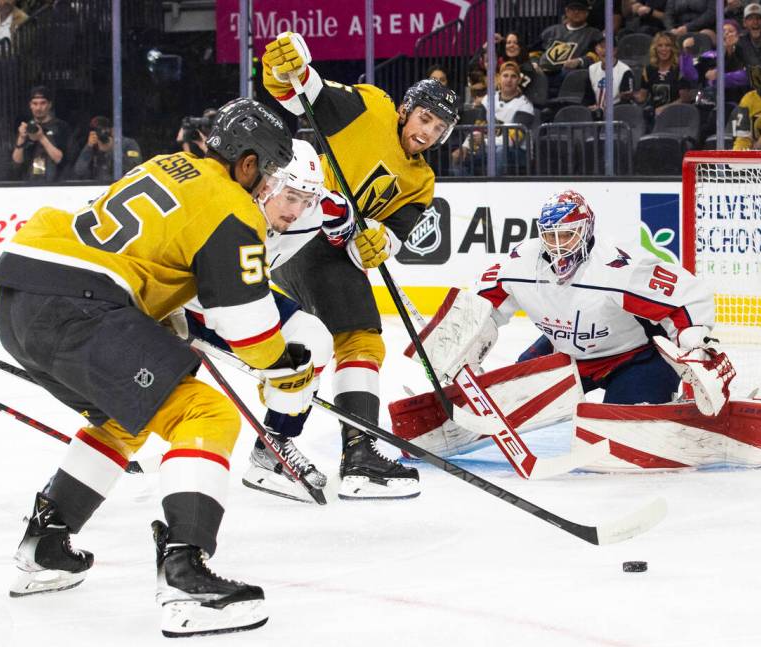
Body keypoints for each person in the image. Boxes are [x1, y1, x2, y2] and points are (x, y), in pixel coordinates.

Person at [0, 98, 309, 637]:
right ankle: (186, 574)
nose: (272, 188)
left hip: (21, 296)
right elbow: (249, 329)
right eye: (271, 172)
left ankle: (46, 544)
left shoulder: (167, 165)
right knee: (205, 413)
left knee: (124, 415)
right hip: (79, 305)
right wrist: (284, 366)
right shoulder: (232, 206)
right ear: (248, 164)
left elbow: (145, 258)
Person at [261, 31, 460, 499]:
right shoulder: (369, 108)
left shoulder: (422, 180)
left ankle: (277, 445)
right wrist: (280, 68)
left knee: (318, 346)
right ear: (405, 110)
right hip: (306, 233)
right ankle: (358, 455)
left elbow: (391, 236)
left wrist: (377, 243)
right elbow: (301, 92)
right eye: (424, 118)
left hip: (329, 249)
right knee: (360, 338)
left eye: (439, 129)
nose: (427, 132)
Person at [183, 138, 355, 502]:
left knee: (315, 341)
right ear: (267, 184)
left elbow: (340, 211)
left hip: (246, 295)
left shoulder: (315, 207)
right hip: (189, 302)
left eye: (305, 200)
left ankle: (272, 447)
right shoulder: (227, 206)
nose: (297, 210)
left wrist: (351, 230)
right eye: (290, 196)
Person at [481, 190, 724, 407]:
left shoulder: (618, 267)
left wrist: (695, 347)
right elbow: (481, 307)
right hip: (566, 354)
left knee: (626, 427)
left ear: (586, 230)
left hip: (635, 358)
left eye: (566, 235)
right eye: (550, 236)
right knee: (510, 400)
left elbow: (685, 298)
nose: (558, 246)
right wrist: (463, 353)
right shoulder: (522, 263)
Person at [451, 61, 534, 175]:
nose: (509, 80)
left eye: (513, 76)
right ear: (499, 78)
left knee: (500, 151)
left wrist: (484, 142)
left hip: (518, 153)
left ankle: (495, 187)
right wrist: (465, 147)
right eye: (505, 75)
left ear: (519, 80)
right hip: (489, 148)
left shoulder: (525, 106)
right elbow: (478, 128)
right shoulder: (489, 99)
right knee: (459, 156)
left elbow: (511, 141)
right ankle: (467, 191)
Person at [535, 1, 603, 96]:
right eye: (573, 9)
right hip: (542, 71)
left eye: (580, 9)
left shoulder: (593, 34)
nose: (576, 12)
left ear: (587, 13)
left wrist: (579, 61)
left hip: (567, 74)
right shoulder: (551, 31)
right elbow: (535, 51)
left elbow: (597, 55)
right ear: (566, 11)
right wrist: (534, 62)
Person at [11, 86, 70, 182]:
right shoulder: (25, 127)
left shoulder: (61, 127)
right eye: (35, 103)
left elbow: (61, 160)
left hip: (55, 185)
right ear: (30, 105)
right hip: (29, 184)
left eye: (43, 103)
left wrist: (42, 138)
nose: (38, 108)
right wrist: (21, 138)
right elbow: (17, 163)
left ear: (49, 105)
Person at [635, 32, 693, 117]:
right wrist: (630, 95)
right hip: (654, 114)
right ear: (655, 48)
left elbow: (685, 99)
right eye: (660, 45)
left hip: (677, 115)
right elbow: (642, 97)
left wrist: (665, 108)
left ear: (673, 48)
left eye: (667, 45)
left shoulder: (680, 69)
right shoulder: (649, 69)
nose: (663, 49)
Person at [72, 115, 143, 182]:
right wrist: (89, 147)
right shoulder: (93, 146)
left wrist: (112, 150)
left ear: (112, 129)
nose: (103, 133)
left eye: (105, 129)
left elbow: (134, 169)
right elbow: (79, 172)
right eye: (98, 130)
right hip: (97, 187)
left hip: (121, 186)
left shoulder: (128, 144)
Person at [584, 37, 635, 117]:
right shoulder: (592, 69)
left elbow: (626, 101)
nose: (605, 51)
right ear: (596, 50)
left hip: (616, 115)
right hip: (595, 114)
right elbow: (587, 97)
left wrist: (605, 110)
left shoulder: (625, 71)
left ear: (615, 51)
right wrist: (588, 107)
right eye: (602, 47)